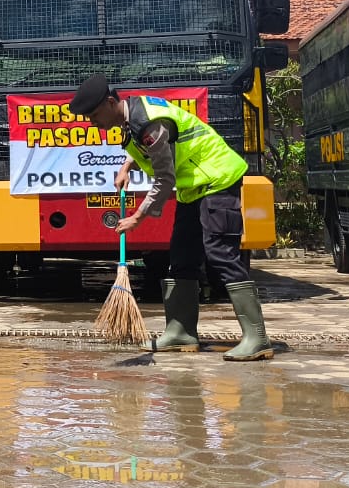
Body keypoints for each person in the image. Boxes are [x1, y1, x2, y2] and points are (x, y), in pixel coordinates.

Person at [68, 73, 273, 362]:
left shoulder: (150, 122)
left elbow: (164, 179)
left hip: (217, 179)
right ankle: (181, 332)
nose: (93, 122)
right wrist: (126, 166)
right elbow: (148, 147)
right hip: (194, 187)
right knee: (182, 255)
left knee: (220, 253)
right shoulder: (134, 118)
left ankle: (257, 338)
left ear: (111, 103)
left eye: (94, 115)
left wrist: (138, 218)